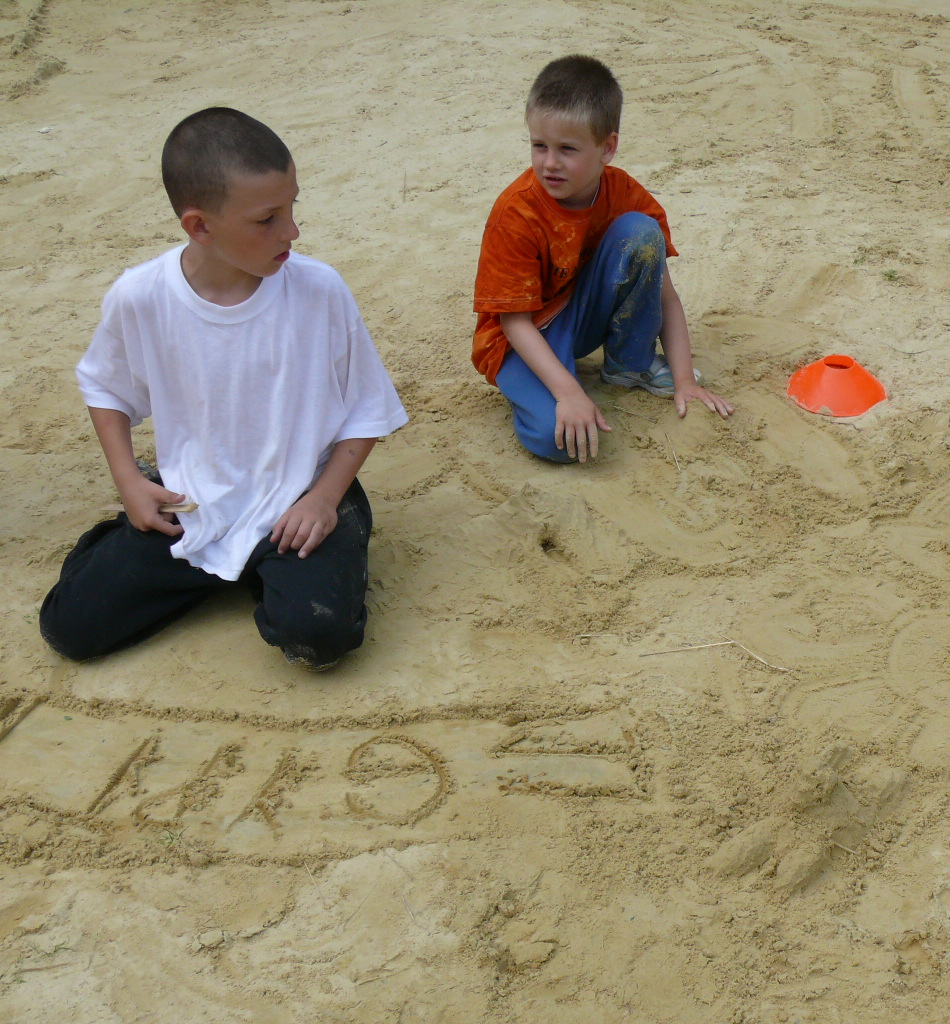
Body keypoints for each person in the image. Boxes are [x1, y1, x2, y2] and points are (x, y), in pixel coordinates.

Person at [39, 107, 408, 669]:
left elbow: (366, 409)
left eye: (292, 208)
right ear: (199, 226)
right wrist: (130, 482)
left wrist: (324, 498)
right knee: (70, 628)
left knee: (319, 636)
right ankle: (196, 560)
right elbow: (105, 388)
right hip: (194, 501)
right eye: (267, 219)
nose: (291, 231)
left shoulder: (319, 291)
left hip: (298, 495)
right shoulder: (141, 296)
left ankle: (287, 557)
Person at [472, 54, 731, 464]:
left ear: (607, 148)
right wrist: (569, 393)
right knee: (558, 441)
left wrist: (685, 380)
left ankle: (629, 364)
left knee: (640, 234)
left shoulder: (625, 194)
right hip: (522, 337)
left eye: (567, 149)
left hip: (579, 317)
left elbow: (665, 296)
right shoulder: (516, 215)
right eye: (539, 146)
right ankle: (538, 387)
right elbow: (514, 322)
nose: (549, 163)